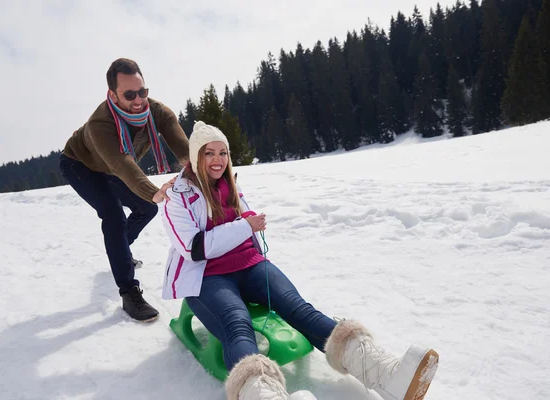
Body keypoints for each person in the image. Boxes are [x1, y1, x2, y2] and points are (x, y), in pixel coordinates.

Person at [153, 121, 439, 400]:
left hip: (249, 264)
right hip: (206, 277)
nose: (217, 160)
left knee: (300, 309)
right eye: (208, 153)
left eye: (222, 152)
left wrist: (246, 225)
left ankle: (386, 376)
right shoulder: (176, 197)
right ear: (195, 157)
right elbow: (195, 248)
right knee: (237, 324)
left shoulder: (230, 186)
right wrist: (245, 227)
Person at [59, 58, 189, 322]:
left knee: (146, 208)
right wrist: (155, 190)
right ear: (112, 95)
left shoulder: (156, 111)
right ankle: (129, 291)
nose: (139, 100)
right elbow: (122, 165)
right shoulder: (100, 124)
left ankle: (120, 250)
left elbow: (182, 146)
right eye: (130, 94)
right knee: (114, 215)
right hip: (80, 165)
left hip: (111, 168)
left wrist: (201, 172)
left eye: (143, 91)